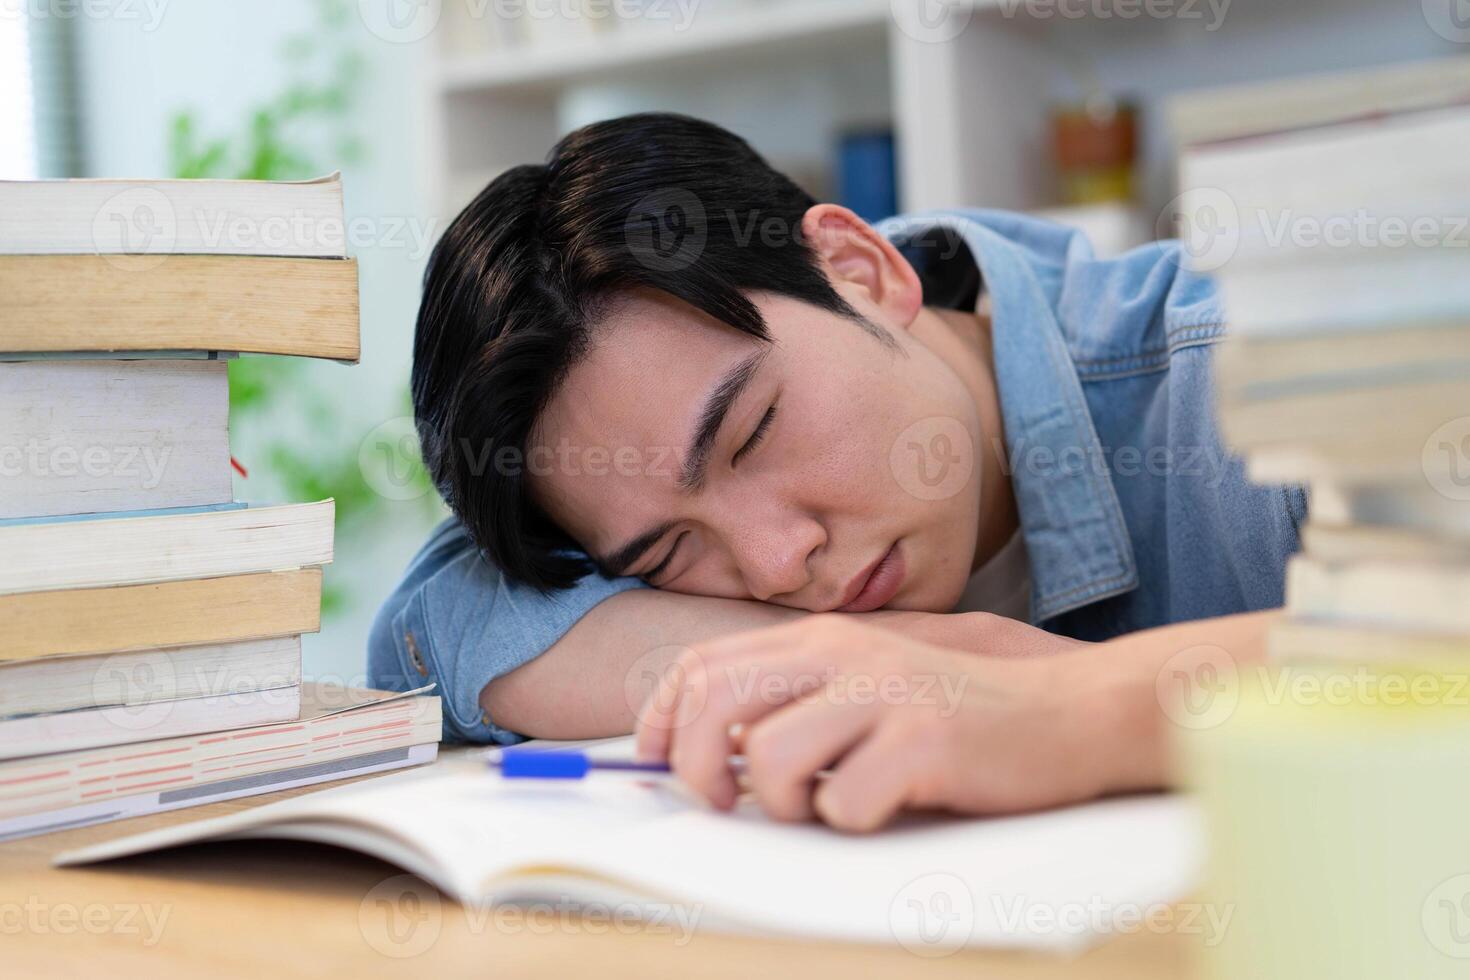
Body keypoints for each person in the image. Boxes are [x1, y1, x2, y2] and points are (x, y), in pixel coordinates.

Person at [369, 113, 1305, 830]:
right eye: (667, 554)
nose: (778, 566)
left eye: (753, 431)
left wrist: (1056, 698)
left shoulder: (1264, 377)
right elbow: (430, 626)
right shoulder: (749, 374)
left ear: (861, 267)